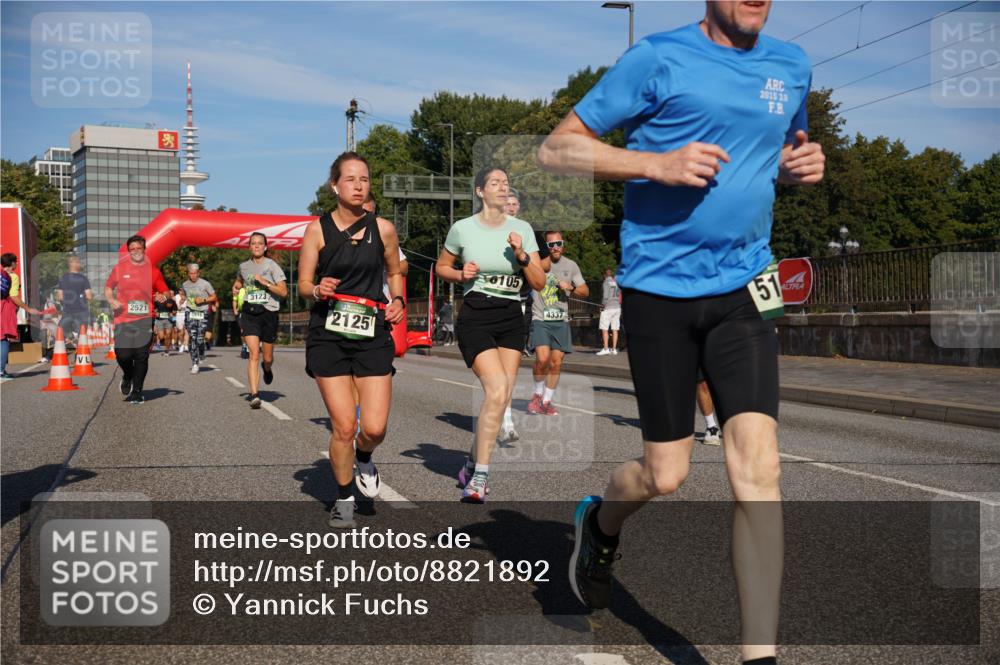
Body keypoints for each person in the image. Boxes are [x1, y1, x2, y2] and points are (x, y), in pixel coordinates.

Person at [538, 2, 825, 663]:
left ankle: (760, 655)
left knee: (759, 466)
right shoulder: (657, 57)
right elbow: (557, 148)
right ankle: (599, 523)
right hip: (660, 290)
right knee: (665, 474)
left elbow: (785, 148)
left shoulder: (792, 65)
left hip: (748, 288)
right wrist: (654, 164)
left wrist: (800, 166)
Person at [297, 152, 406, 528]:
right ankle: (343, 497)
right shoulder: (317, 230)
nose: (359, 185)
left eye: (364, 179)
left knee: (373, 428)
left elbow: (395, 272)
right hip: (328, 333)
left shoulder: (384, 229)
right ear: (335, 186)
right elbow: (303, 285)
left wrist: (399, 300)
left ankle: (364, 457)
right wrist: (318, 289)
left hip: (372, 332)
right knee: (344, 425)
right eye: (350, 179)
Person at [436, 166, 545, 503]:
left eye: (506, 183)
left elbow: (539, 282)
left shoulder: (522, 229)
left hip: (512, 316)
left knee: (499, 398)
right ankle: (480, 477)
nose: (502, 187)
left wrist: (522, 255)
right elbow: (441, 266)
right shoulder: (463, 229)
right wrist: (459, 273)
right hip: (477, 314)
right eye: (495, 183)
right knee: (497, 390)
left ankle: (471, 462)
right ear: (480, 191)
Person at [527, 231, 588, 416]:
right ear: (545, 247)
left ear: (563, 245)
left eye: (558, 243)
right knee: (543, 358)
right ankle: (537, 394)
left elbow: (585, 291)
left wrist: (570, 287)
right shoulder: (536, 263)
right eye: (551, 245)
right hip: (540, 318)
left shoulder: (571, 265)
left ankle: (546, 401)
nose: (555, 248)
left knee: (555, 363)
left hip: (560, 320)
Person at [104, 236, 170, 403]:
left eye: (138, 249)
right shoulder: (120, 268)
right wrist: (112, 301)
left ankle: (137, 391)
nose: (135, 252)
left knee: (141, 355)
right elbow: (108, 288)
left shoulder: (153, 271)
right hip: (123, 318)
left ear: (144, 249)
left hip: (145, 318)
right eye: (132, 249)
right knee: (123, 355)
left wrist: (164, 296)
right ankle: (127, 375)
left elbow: (166, 292)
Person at [233, 232, 288, 409]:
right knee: (253, 353)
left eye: (260, 244)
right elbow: (239, 281)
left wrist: (266, 283)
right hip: (249, 313)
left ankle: (267, 368)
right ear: (249, 247)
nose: (256, 246)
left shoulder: (272, 266)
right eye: (253, 243)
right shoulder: (243, 266)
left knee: (267, 357)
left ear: (265, 247)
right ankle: (255, 394)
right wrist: (236, 288)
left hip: (268, 313)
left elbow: (283, 292)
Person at [1, 253, 41, 379]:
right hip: (5, 308)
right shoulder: (13, 276)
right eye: (15, 262)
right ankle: (1, 370)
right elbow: (13, 296)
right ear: (12, 263)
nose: (17, 264)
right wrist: (28, 309)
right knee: (3, 338)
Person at [181, 263, 217, 374]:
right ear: (188, 274)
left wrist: (203, 300)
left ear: (198, 273)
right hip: (190, 312)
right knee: (192, 337)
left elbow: (214, 296)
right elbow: (184, 294)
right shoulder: (185, 284)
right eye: (191, 273)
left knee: (200, 338)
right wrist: (182, 299)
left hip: (202, 312)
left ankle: (201, 352)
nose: (193, 276)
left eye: (195, 273)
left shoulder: (205, 284)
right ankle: (195, 363)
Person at [55, 254, 93, 346]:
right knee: (82, 334)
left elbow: (59, 297)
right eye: (78, 262)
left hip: (67, 310)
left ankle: (71, 337)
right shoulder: (83, 278)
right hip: (81, 311)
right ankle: (81, 357)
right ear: (73, 263)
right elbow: (89, 296)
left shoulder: (62, 278)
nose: (80, 264)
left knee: (62, 329)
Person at [596, 268, 622, 356]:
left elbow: (605, 296)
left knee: (604, 328)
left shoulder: (605, 282)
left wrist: (602, 305)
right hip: (617, 307)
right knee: (615, 328)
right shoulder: (615, 283)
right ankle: (614, 349)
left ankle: (606, 348)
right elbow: (618, 294)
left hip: (608, 308)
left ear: (604, 275)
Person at [153, 290, 177, 355]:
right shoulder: (157, 300)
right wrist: (156, 312)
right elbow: (154, 309)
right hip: (159, 320)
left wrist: (172, 313)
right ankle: (163, 341)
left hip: (168, 320)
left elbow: (175, 310)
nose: (166, 293)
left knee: (168, 335)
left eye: (167, 293)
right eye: (164, 292)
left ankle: (167, 350)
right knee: (161, 337)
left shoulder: (172, 301)